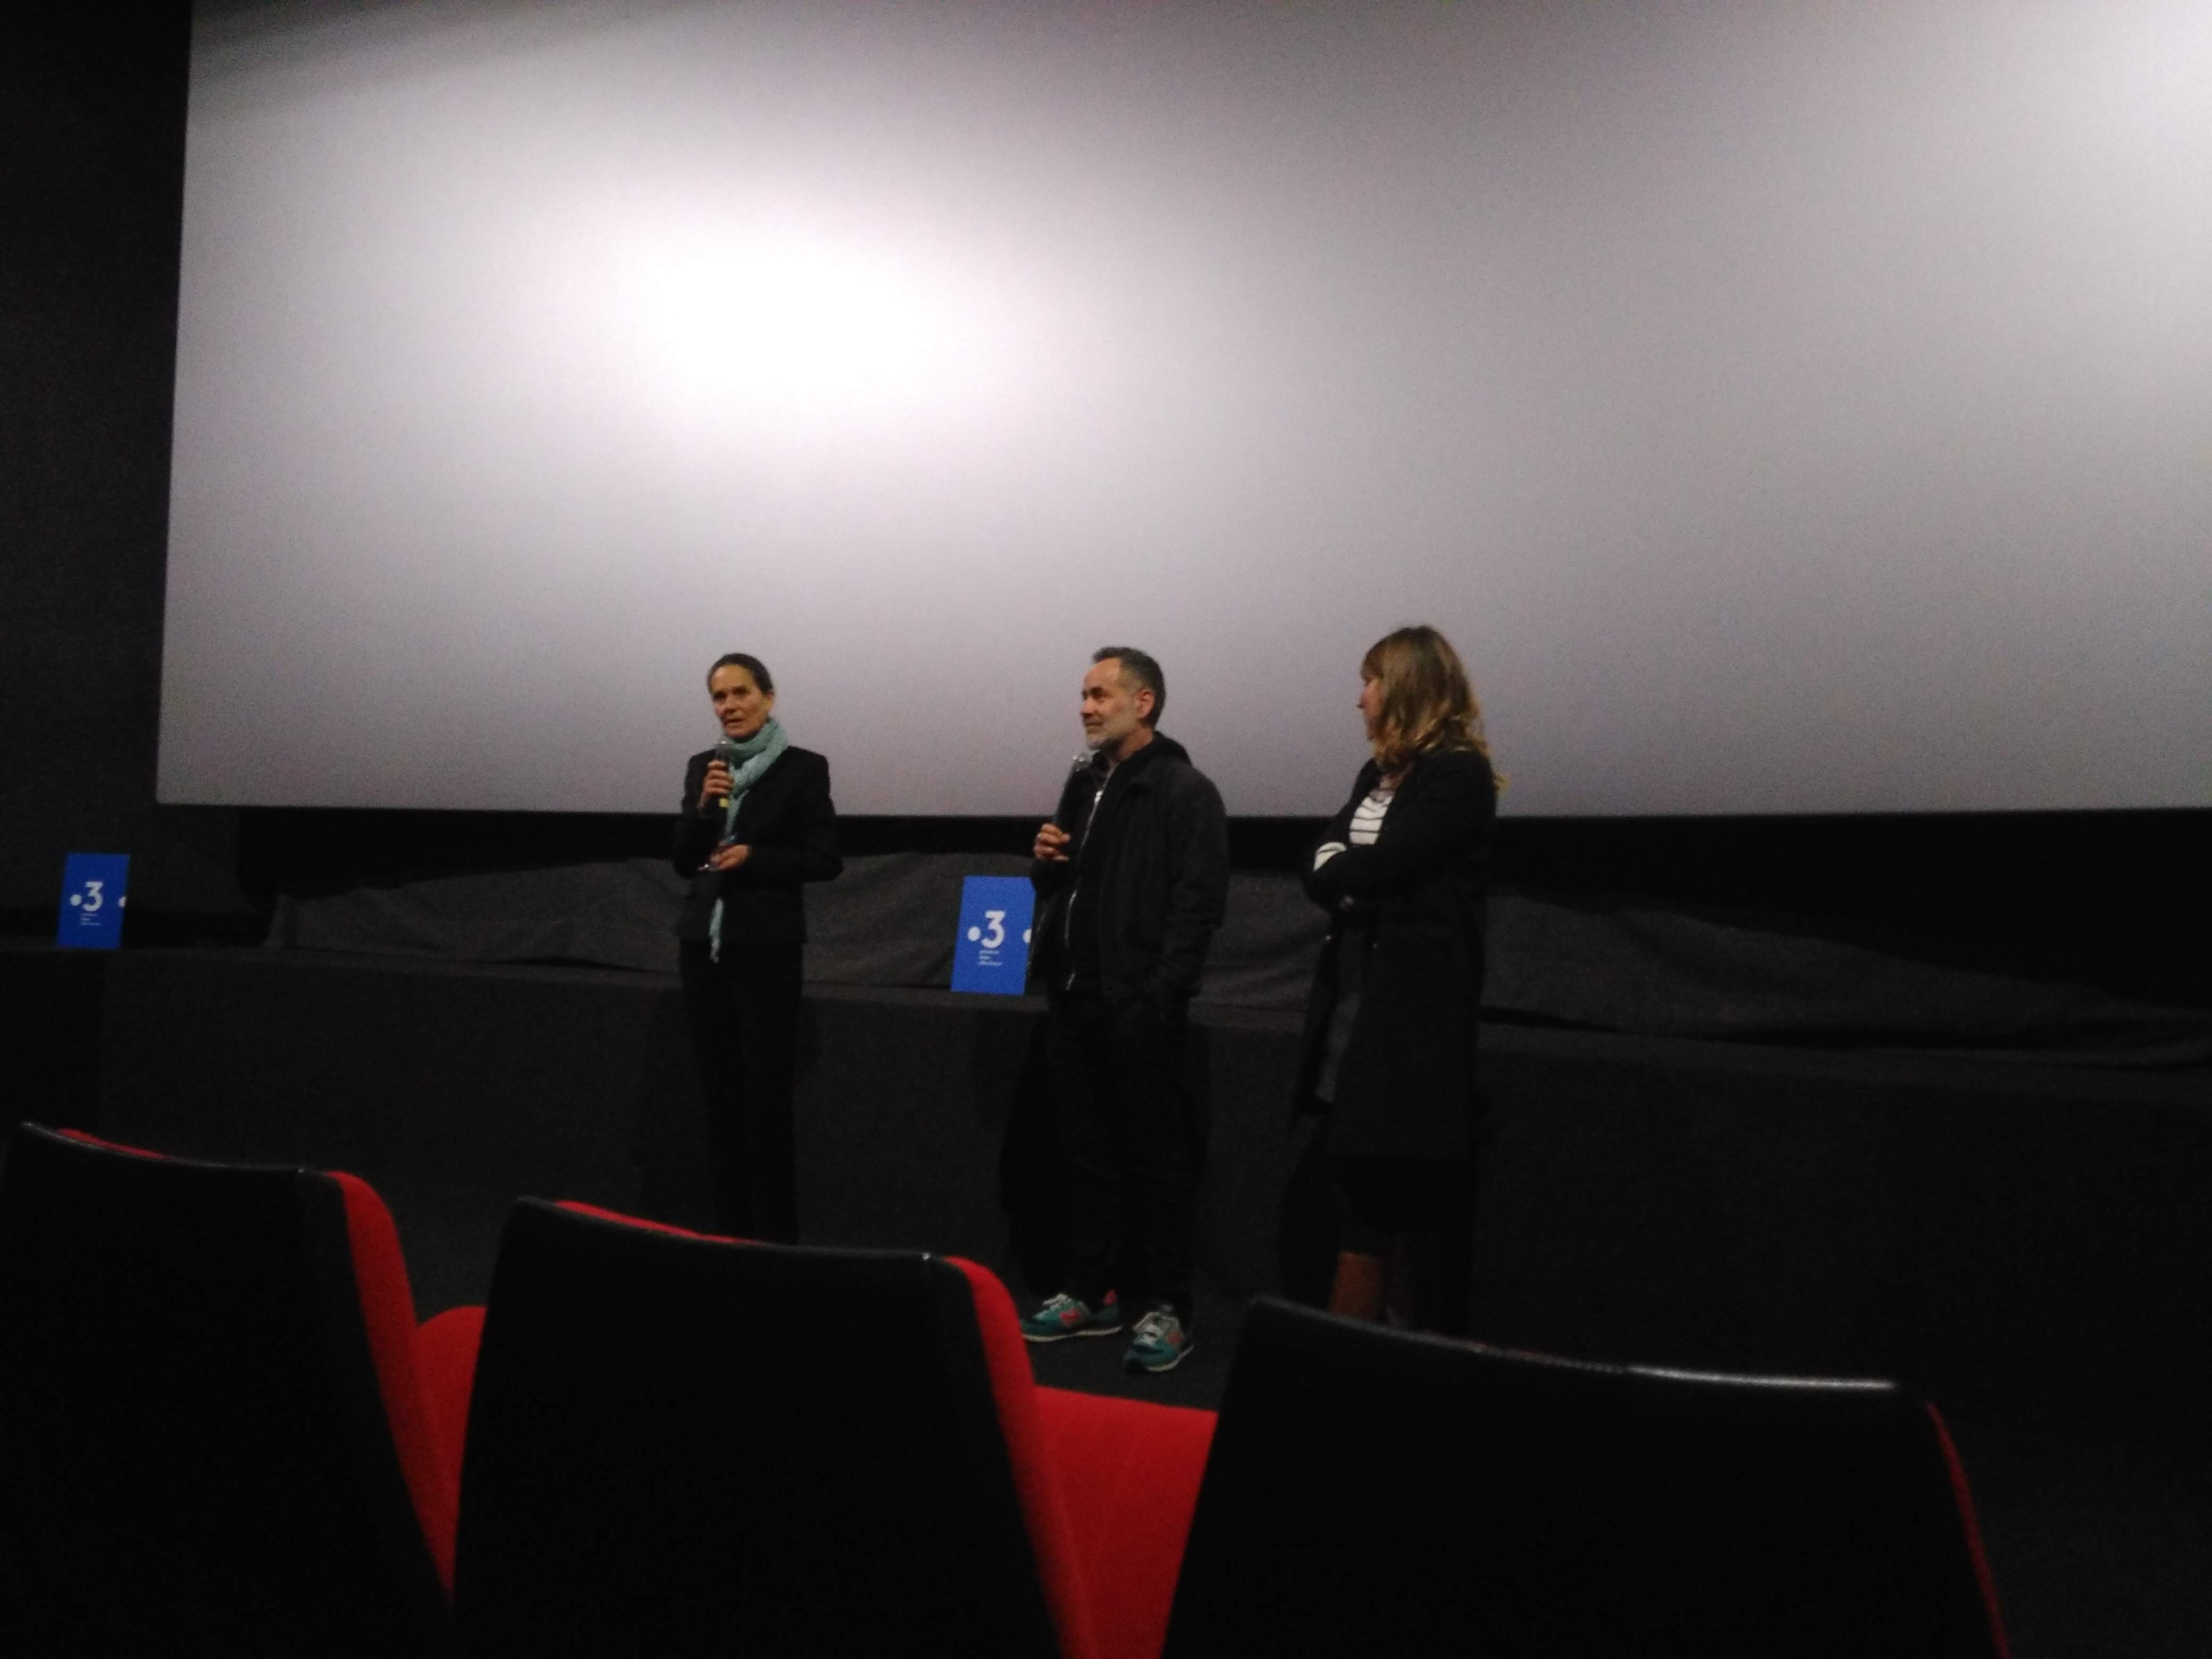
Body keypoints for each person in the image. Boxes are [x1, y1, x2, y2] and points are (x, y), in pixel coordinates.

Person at [1021, 647, 1229, 1373]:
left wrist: (1157, 997)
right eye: (1082, 694)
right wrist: (1045, 862)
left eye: (1100, 694)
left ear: (1143, 703)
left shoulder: (1183, 790)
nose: (1085, 707)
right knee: (1086, 1156)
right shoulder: (1084, 783)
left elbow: (1198, 905)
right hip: (1074, 999)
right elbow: (1064, 887)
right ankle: (1091, 1291)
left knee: (1157, 1162)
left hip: (1136, 1007)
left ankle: (1169, 1306)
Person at [1294, 625, 1499, 1333]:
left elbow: (1382, 866)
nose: (1361, 699)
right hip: (1357, 1009)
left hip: (1410, 1030)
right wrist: (1352, 878)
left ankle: (1348, 1365)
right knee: (1369, 1196)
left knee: (1378, 1201)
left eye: (1372, 682)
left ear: (1406, 687)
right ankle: (1383, 1356)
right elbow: (1316, 864)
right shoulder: (1374, 776)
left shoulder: (1457, 776)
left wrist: (1350, 876)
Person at [673, 652, 841, 1241]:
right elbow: (683, 861)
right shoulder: (705, 767)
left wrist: (756, 858)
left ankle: (772, 1242)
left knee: (765, 1103)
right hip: (703, 947)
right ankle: (729, 1236)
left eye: (741, 693)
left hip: (766, 947)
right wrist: (704, 809)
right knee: (719, 1099)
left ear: (768, 698)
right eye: (719, 697)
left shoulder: (803, 769)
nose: (730, 706)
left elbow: (825, 859)